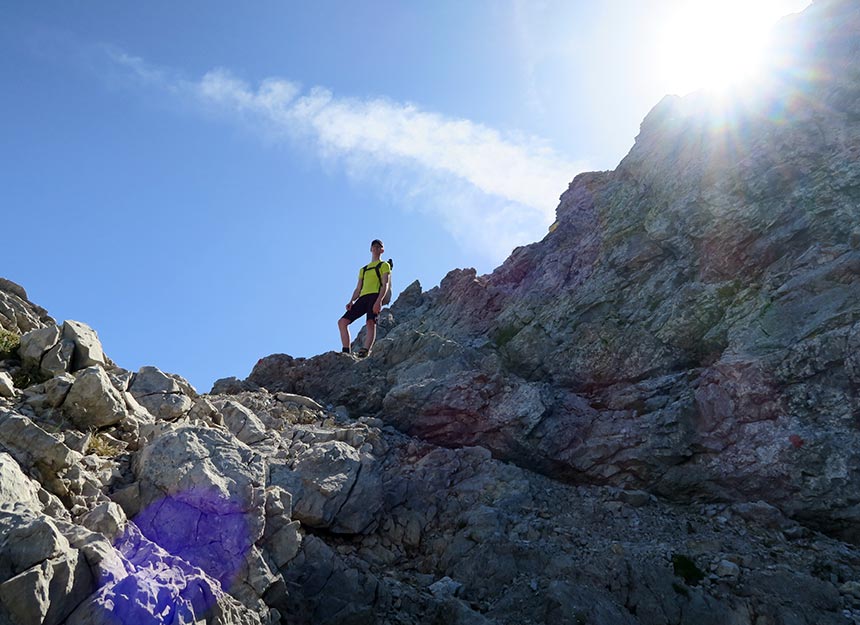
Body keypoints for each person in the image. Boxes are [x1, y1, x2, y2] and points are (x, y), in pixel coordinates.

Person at [338, 239, 391, 357]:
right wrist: (351, 300)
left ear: (382, 250)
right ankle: (346, 351)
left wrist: (379, 301)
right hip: (363, 297)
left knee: (370, 322)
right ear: (371, 249)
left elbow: (385, 284)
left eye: (379, 247)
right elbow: (358, 288)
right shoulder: (364, 269)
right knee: (342, 322)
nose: (376, 248)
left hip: (375, 296)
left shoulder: (384, 265)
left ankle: (365, 350)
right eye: (374, 246)